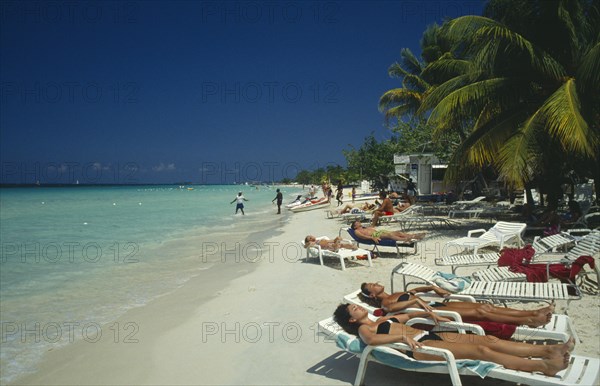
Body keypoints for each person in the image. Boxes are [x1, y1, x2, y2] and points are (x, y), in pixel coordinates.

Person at [333, 303, 572, 376]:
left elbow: (408, 314)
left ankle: (550, 349)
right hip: (421, 348)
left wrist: (428, 312)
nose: (356, 306)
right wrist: (402, 338)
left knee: (487, 340)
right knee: (481, 353)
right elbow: (373, 341)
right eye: (352, 309)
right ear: (351, 320)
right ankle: (545, 366)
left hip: (429, 335)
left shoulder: (382, 318)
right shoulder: (365, 330)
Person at [359, 282, 554, 327]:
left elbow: (416, 291)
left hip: (435, 303)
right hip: (432, 310)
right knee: (482, 312)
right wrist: (416, 300)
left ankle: (532, 314)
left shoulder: (394, 292)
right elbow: (390, 310)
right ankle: (530, 320)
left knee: (485, 307)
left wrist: (432, 287)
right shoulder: (385, 301)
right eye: (372, 285)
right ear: (372, 294)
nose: (376, 283)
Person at [351, 220, 426, 243]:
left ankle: (414, 236)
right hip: (375, 236)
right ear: (355, 226)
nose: (359, 222)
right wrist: (372, 238)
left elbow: (373, 227)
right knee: (390, 235)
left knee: (398, 232)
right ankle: (405, 240)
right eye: (357, 222)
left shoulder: (364, 227)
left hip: (379, 232)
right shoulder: (356, 231)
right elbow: (363, 237)